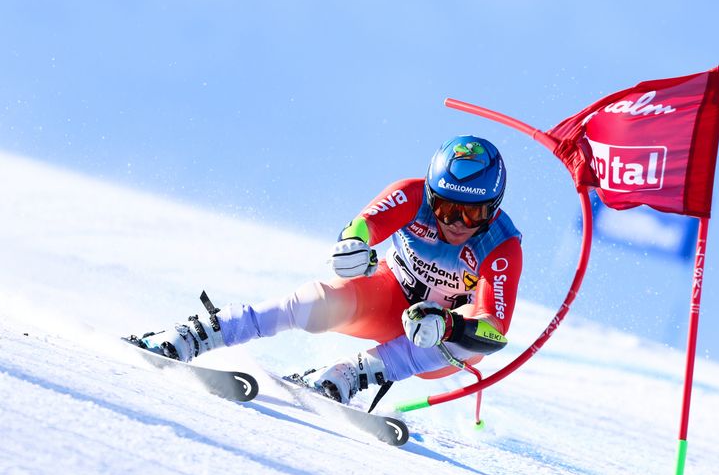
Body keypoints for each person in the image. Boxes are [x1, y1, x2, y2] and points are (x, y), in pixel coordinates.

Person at [138, 135, 522, 405]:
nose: (456, 223)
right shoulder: (411, 193)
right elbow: (360, 228)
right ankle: (200, 334)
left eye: (472, 213)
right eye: (445, 209)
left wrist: (451, 325)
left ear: (494, 208)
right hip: (386, 298)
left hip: (431, 338)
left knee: (461, 342)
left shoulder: (501, 245)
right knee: (319, 301)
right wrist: (351, 246)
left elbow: (495, 328)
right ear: (431, 196)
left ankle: (349, 375)